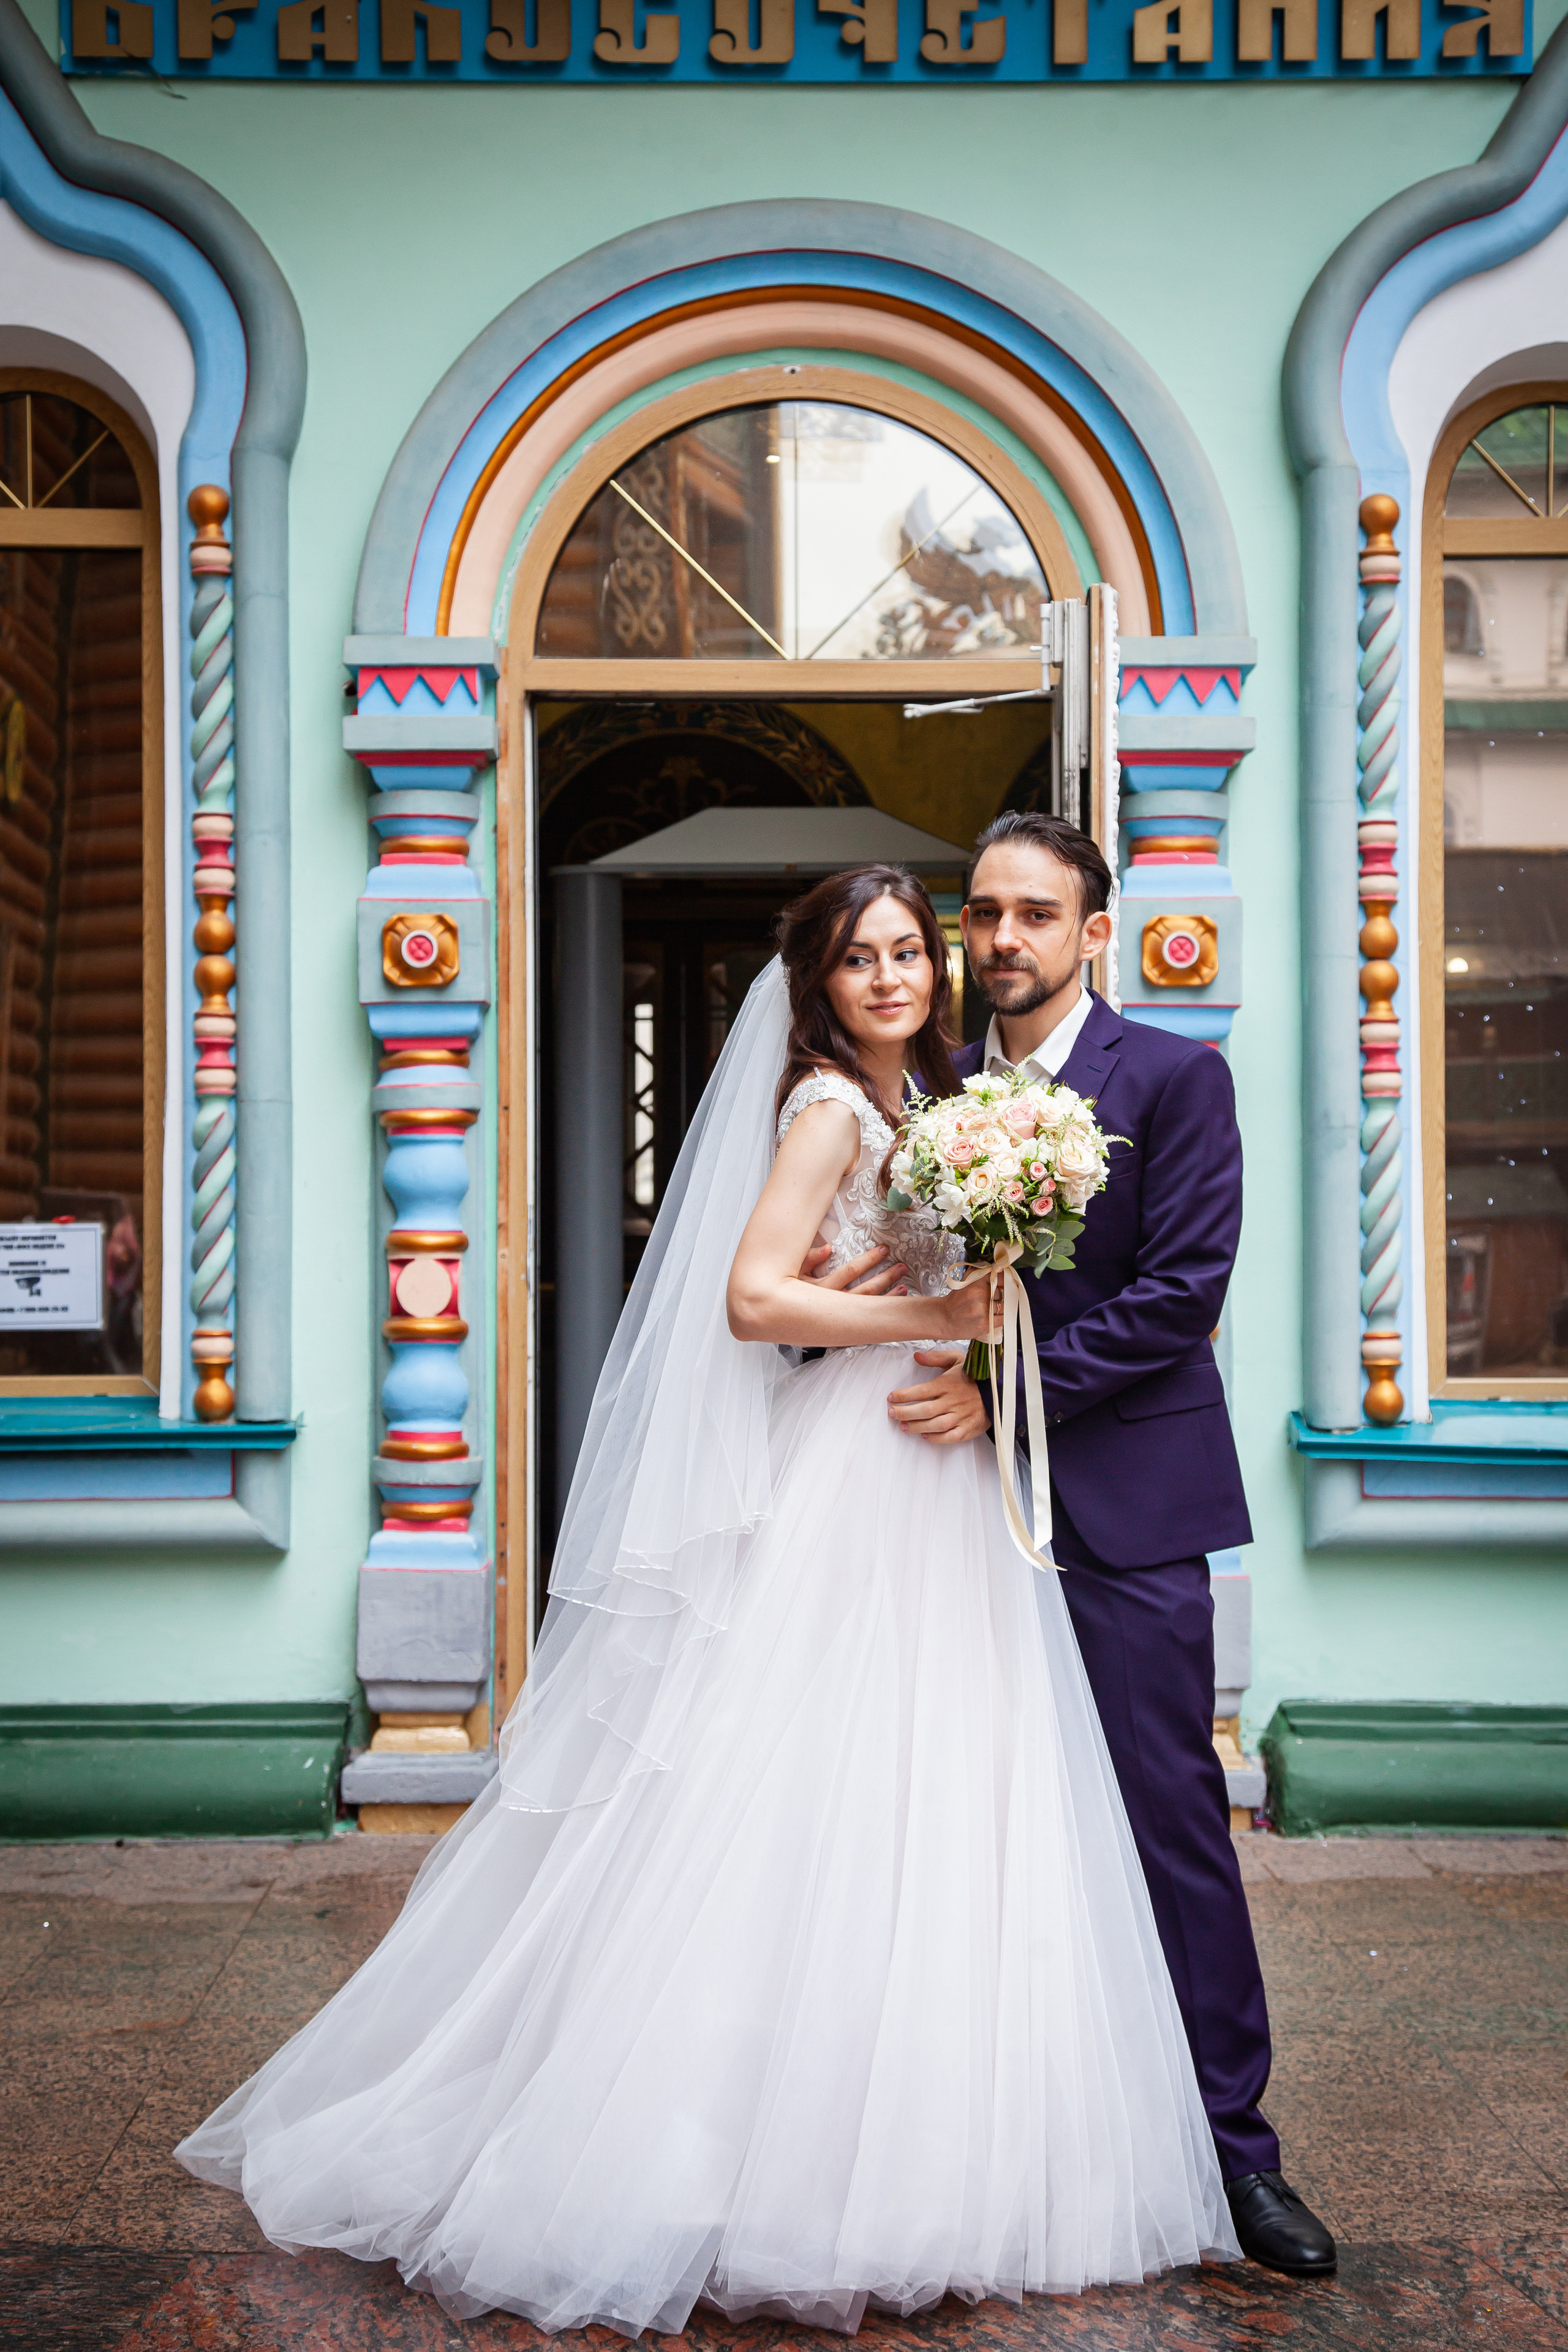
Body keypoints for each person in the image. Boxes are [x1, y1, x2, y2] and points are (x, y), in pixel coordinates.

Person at [176, 862, 1240, 2332]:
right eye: (861, 958)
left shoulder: (953, 1098)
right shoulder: (830, 1106)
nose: (894, 976)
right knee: (806, 1792)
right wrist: (920, 1311)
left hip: (959, 1469)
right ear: (818, 983)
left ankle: (963, 2138)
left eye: (907, 951)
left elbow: (1077, 1281)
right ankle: (738, 2145)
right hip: (871, 1458)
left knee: (953, 1788)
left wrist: (938, 1310)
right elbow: (751, 1298)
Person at [912, 807, 1334, 2281]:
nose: (1001, 938)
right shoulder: (926, 1087)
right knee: (959, 1817)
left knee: (1167, 1821)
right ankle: (989, 2142)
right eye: (982, 913)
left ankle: (1235, 2159)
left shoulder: (1170, 1077)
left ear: (1093, 932)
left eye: (1033, 913)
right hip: (935, 1511)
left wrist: (1004, 1396)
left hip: (1128, 1510)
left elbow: (1181, 1290)